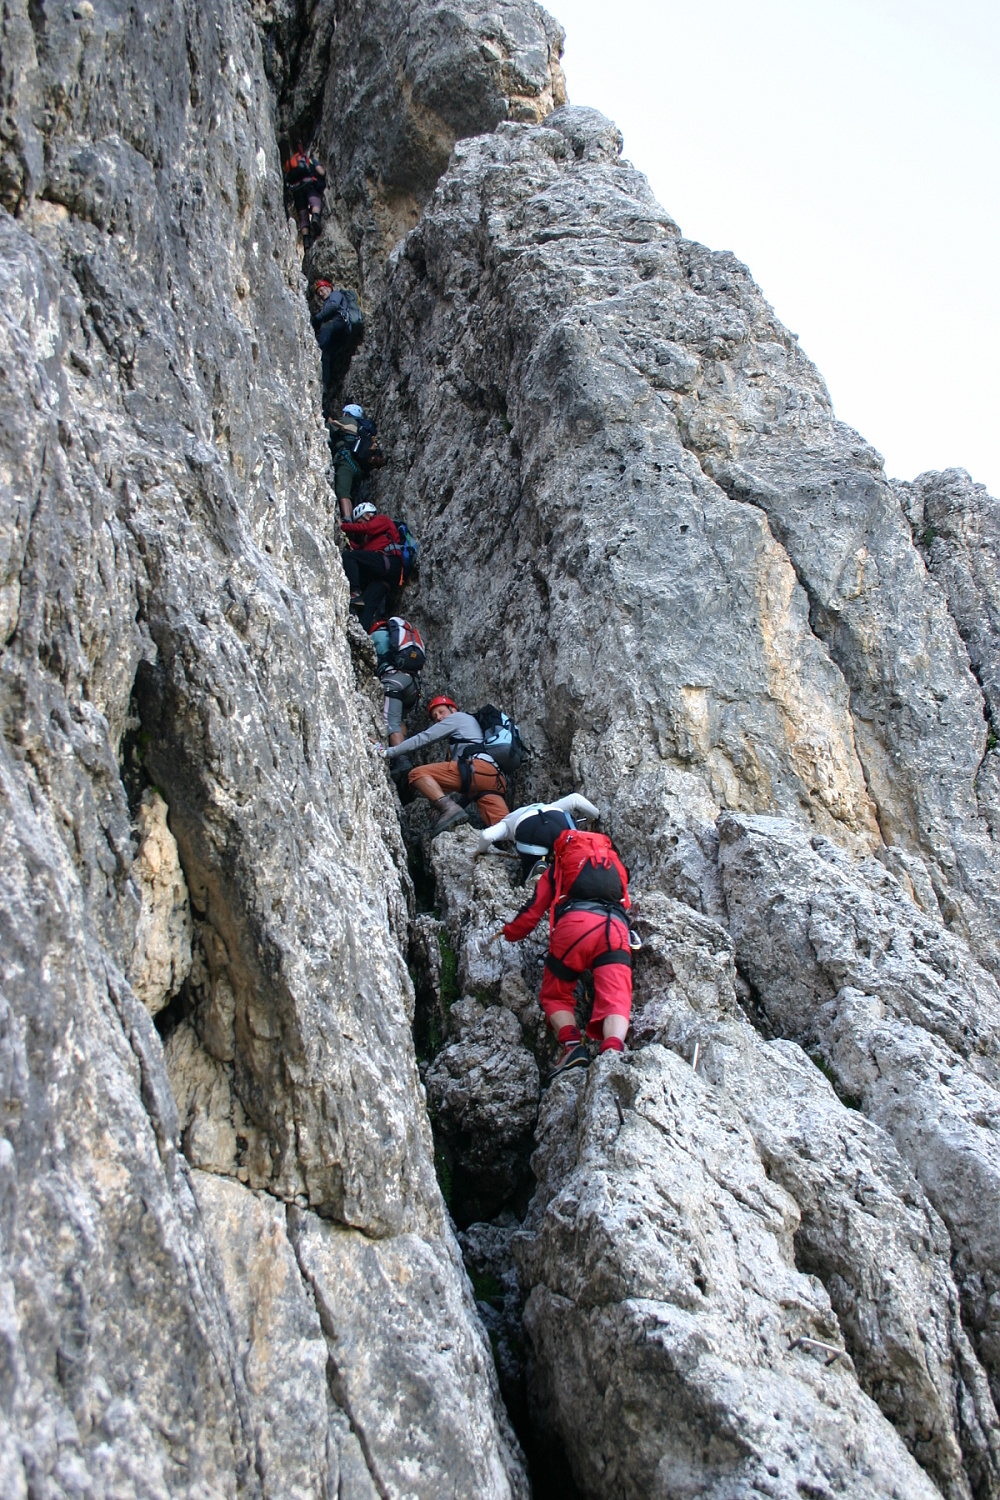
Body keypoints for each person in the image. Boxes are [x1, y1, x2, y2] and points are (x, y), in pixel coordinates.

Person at [496, 825, 633, 1080]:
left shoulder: (558, 867)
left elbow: (532, 912)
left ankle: (572, 1047)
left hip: (575, 928)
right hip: (614, 929)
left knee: (556, 995)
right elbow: (627, 904)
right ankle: (613, 1054)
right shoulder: (614, 865)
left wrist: (508, 933)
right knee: (616, 998)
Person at [384, 697, 510, 835]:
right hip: (494, 779)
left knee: (416, 774)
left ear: (453, 709)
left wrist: (388, 752)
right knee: (503, 827)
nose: (438, 717)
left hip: (476, 769)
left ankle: (447, 808)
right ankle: (519, 850)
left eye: (441, 711)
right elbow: (468, 787)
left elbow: (424, 738)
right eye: (435, 716)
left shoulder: (458, 718)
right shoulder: (469, 732)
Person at [477, 793, 601, 880]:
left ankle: (537, 866)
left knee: (533, 862)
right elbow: (576, 799)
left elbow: (486, 836)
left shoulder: (506, 823)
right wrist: (595, 815)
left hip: (530, 832)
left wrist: (480, 851)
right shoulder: (550, 806)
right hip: (558, 822)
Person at [369, 617, 425, 792]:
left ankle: (400, 759)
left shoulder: (377, 635)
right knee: (399, 719)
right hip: (412, 685)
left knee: (389, 721)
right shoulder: (407, 640)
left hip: (393, 680)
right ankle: (404, 754)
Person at [340, 502, 404, 630]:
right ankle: (362, 634)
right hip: (386, 577)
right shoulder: (372, 541)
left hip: (388, 562)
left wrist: (343, 526)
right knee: (367, 604)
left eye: (360, 522)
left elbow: (367, 529)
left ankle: (355, 592)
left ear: (368, 515)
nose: (360, 527)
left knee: (349, 556)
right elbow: (363, 551)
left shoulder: (382, 520)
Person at [310, 285, 365, 409]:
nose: (322, 293)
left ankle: (317, 349)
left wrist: (317, 319)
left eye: (322, 289)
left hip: (340, 322)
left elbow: (334, 306)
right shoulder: (329, 300)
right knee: (326, 355)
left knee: (326, 328)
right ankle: (324, 383)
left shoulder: (335, 295)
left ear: (329, 288)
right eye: (319, 293)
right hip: (341, 333)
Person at [327, 404, 384, 517]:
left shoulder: (347, 420)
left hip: (346, 461)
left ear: (347, 413)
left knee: (343, 491)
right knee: (352, 493)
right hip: (359, 468)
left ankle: (347, 518)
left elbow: (329, 428)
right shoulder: (364, 430)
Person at [283, 147, 326, 245]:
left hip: (297, 190)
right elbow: (321, 171)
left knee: (302, 213)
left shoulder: (291, 167)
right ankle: (315, 217)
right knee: (315, 202)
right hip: (309, 184)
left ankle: (306, 239)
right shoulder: (309, 160)